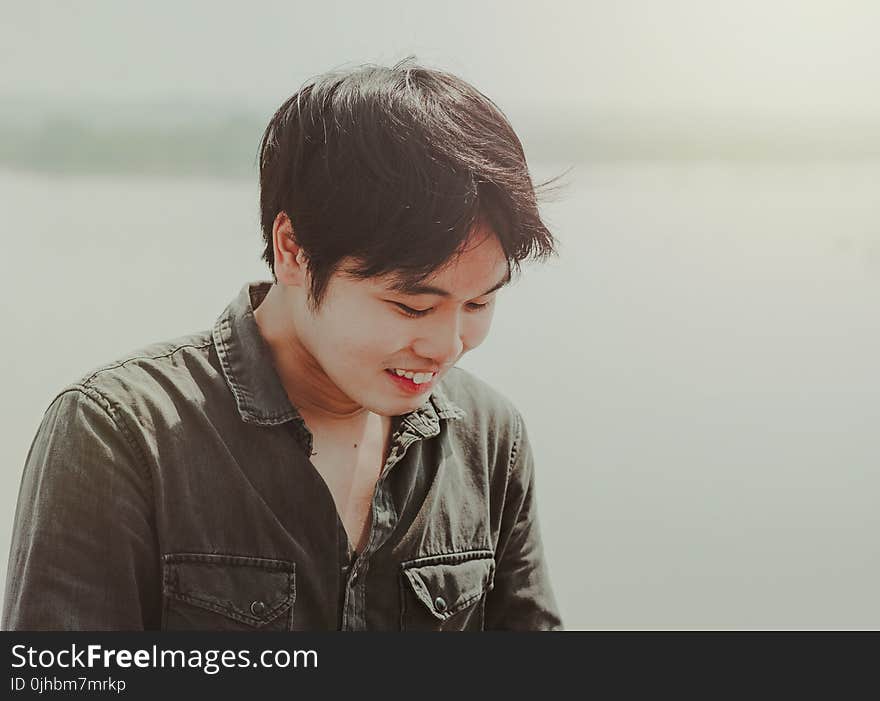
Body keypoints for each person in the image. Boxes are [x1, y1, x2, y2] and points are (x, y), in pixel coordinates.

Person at [2, 59, 564, 631]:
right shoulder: (119, 433)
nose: (447, 346)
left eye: (478, 304)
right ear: (294, 249)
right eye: (411, 306)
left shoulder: (490, 437)